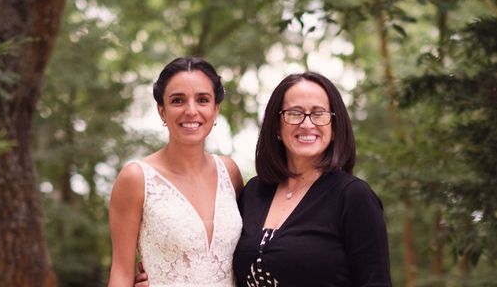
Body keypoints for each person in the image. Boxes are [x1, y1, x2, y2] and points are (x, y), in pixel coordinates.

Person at [232, 71, 392, 286]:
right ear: (277, 126)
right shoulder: (254, 192)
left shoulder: (353, 196)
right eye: (295, 113)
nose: (307, 124)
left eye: (319, 114)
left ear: (334, 127)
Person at [107, 57, 244, 287]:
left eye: (202, 100)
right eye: (178, 100)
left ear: (215, 109)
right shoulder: (136, 178)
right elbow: (121, 272)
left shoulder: (230, 173)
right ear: (162, 111)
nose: (191, 111)